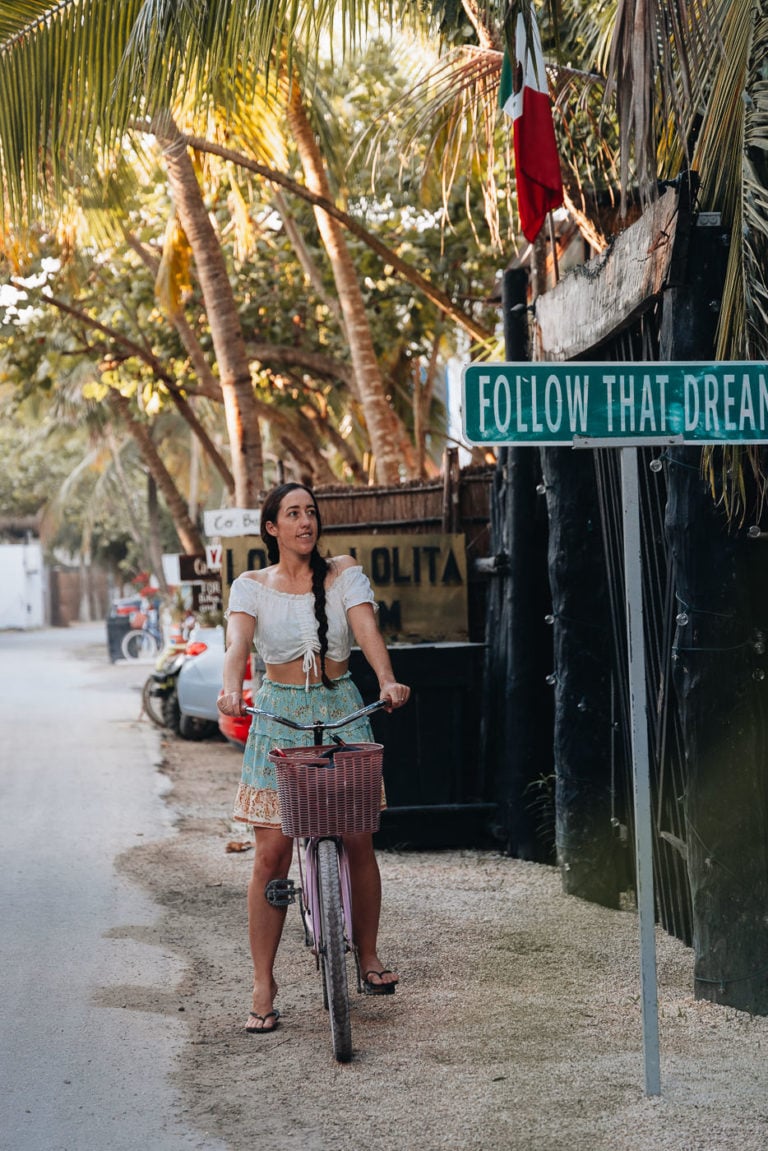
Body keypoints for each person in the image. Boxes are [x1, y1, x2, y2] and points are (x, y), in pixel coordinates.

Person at [217, 482, 411, 1034]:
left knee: (357, 838)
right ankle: (263, 982)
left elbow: (366, 628)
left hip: (342, 707)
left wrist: (390, 681)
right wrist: (232, 688)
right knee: (271, 857)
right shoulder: (250, 586)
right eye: (293, 514)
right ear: (272, 528)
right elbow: (236, 646)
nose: (306, 522)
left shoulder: (344, 571)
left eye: (311, 512)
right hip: (278, 715)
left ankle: (367, 954)